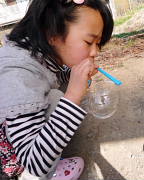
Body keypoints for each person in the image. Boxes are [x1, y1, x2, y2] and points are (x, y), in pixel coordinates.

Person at [0, 0, 113, 179]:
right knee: (57, 99)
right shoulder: (17, 73)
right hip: (14, 158)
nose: (95, 52)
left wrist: (72, 76)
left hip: (15, 134)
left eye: (98, 44)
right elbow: (33, 162)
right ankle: (45, 173)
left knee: (56, 94)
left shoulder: (37, 51)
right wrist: (73, 95)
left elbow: (50, 76)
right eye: (89, 41)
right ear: (52, 33)